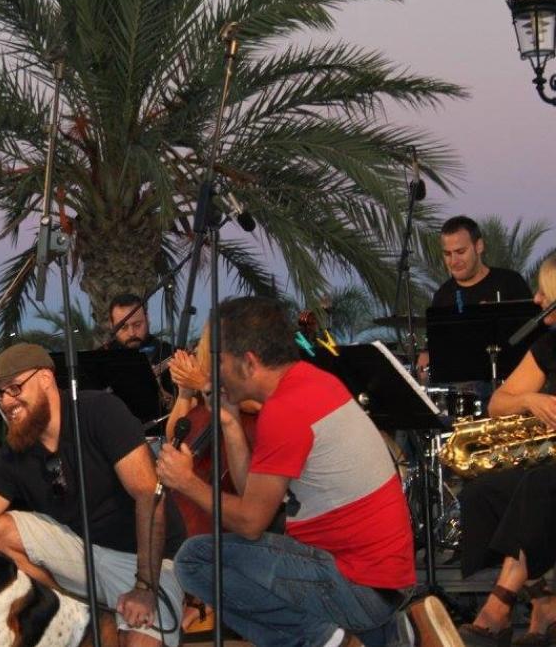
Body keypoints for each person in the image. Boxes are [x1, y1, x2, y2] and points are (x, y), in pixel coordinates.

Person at [156, 297, 458, 647]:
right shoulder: (310, 382)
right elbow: (252, 496)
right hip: (380, 583)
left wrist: (187, 483)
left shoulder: (286, 411)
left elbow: (251, 523)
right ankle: (391, 636)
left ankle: (330, 641)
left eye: (216, 362)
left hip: (357, 584)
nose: (210, 374)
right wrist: (231, 423)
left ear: (248, 362)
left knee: (195, 559)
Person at [0, 343, 185, 646]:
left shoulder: (98, 410)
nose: (6, 402)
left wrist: (145, 587)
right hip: (82, 556)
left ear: (46, 379)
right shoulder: (16, 451)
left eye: (14, 388)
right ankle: (68, 612)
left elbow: (150, 497)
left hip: (148, 562)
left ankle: (135, 610)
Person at [455, 253, 556, 645]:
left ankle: (499, 606)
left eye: (543, 291)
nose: (535, 298)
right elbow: (498, 402)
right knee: (484, 491)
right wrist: (531, 401)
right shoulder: (548, 345)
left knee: (536, 486)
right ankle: (544, 601)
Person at [430, 216, 531, 310]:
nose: (454, 261)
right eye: (447, 254)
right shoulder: (442, 297)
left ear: (479, 246)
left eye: (461, 252)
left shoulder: (511, 282)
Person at [106, 292, 176, 408]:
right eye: (123, 327)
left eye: (137, 325)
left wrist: (163, 394)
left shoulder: (168, 352)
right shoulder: (103, 358)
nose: (132, 333)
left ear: (147, 319)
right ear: (112, 325)